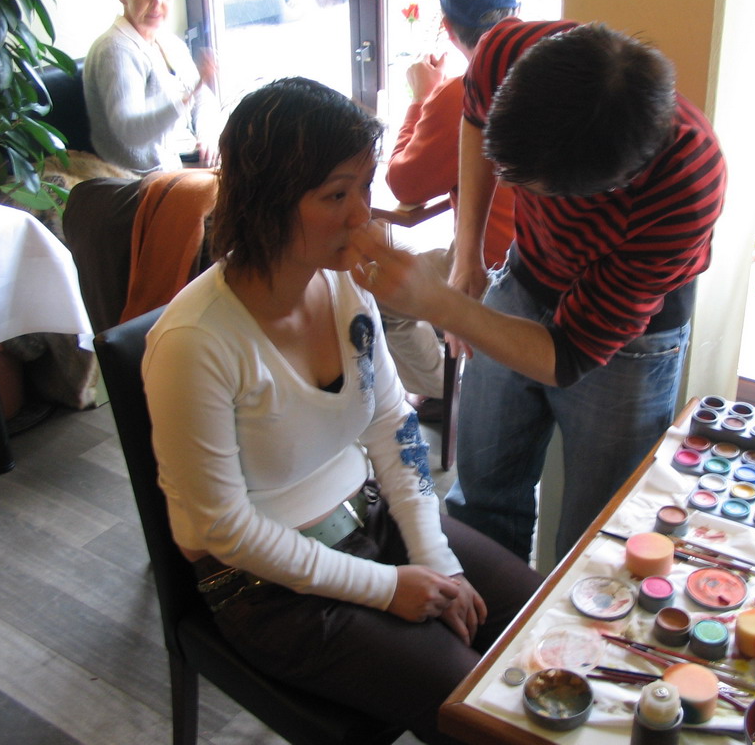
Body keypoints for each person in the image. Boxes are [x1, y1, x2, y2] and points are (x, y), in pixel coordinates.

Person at [142, 77, 542, 744]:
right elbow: (226, 530)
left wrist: (433, 557)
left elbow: (395, 428)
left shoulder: (343, 288)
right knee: (478, 710)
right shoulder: (195, 343)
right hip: (267, 589)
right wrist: (388, 588)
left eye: (366, 186)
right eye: (336, 195)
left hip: (366, 516)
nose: (365, 216)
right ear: (267, 201)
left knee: (538, 617)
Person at [352, 20, 727, 564]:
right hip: (528, 274)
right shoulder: (509, 51)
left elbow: (569, 355)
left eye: (528, 186)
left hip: (631, 340)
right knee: (482, 493)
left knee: (594, 536)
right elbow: (476, 125)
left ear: (605, 187)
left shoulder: (686, 183)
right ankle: (484, 627)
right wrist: (466, 260)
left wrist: (438, 303)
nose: (508, 185)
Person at [382, 0, 520, 418]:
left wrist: (422, 98)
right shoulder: (552, 73)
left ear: (446, 24)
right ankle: (453, 382)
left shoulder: (458, 94)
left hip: (488, 267)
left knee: (379, 294)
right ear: (517, 11)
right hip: (543, 263)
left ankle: (443, 393)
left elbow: (404, 185)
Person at [84, 0, 222, 173]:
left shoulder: (168, 41)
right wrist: (188, 95)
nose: (157, 2)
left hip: (187, 160)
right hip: (147, 176)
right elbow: (131, 131)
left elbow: (202, 98)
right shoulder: (115, 50)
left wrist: (208, 134)